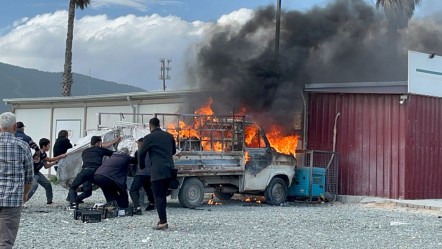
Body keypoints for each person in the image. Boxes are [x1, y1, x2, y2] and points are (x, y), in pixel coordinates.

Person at [0, 112, 34, 248]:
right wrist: (25, 193)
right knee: (6, 241)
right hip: (12, 198)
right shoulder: (23, 146)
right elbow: (30, 175)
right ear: (15, 127)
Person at [139, 117, 176, 230]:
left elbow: (141, 153)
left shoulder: (149, 137)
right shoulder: (169, 136)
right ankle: (162, 219)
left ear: (150, 126)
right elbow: (173, 151)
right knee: (163, 196)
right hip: (170, 170)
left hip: (158, 171)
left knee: (158, 196)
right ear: (159, 125)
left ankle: (163, 223)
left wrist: (142, 167)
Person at [68, 135, 121, 209]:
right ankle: (110, 203)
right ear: (98, 143)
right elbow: (114, 154)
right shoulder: (100, 149)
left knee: (73, 188)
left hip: (85, 171)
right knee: (104, 186)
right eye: (100, 143)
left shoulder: (85, 151)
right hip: (96, 172)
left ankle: (73, 204)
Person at [27, 138, 67, 205]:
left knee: (47, 184)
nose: (49, 147)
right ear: (44, 146)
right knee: (34, 185)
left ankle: (49, 201)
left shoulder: (44, 154)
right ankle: (24, 200)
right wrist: (61, 156)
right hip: (31, 173)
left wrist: (55, 162)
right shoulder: (39, 153)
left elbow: (46, 166)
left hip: (37, 172)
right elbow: (50, 160)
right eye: (48, 145)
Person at [129, 138, 155, 215]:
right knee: (148, 189)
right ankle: (152, 204)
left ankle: (137, 208)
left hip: (141, 174)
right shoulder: (152, 152)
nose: (138, 146)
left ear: (141, 144)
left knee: (133, 190)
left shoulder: (138, 152)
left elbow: (135, 161)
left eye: (139, 144)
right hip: (150, 174)